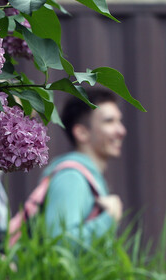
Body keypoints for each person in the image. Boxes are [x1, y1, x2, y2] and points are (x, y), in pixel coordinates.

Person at [42, 89, 126, 243]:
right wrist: (109, 218)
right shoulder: (71, 178)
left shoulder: (86, 177)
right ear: (81, 133)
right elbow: (59, 244)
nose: (121, 131)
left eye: (119, 121)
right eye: (109, 121)